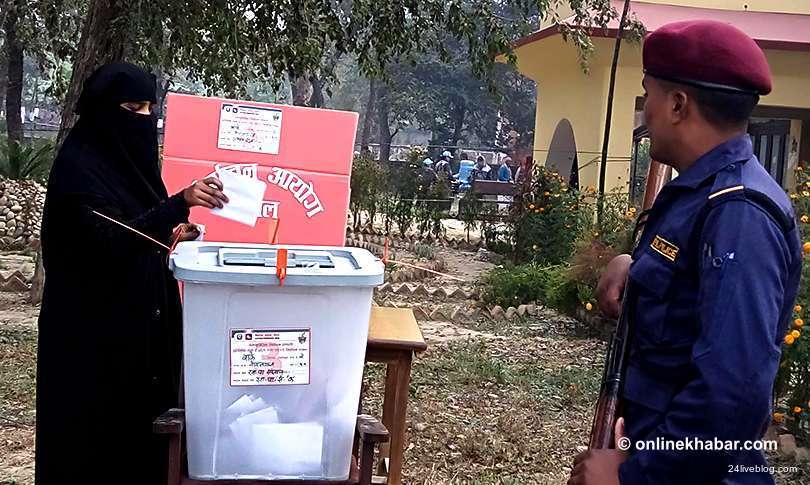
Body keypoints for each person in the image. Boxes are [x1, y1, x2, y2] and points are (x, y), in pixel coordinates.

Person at [569, 21, 802, 485]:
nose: (644, 114)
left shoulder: (740, 214)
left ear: (677, 105)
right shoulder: (699, 194)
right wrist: (632, 266)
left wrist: (633, 477)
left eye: (647, 95)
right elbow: (689, 284)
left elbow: (731, 397)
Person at [36, 63, 229, 485]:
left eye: (148, 108)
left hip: (142, 329)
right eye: (131, 107)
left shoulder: (131, 166)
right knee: (97, 446)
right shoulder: (79, 169)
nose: (142, 119)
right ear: (104, 109)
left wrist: (173, 231)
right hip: (93, 340)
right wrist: (178, 203)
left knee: (145, 443)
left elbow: (138, 224)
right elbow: (105, 241)